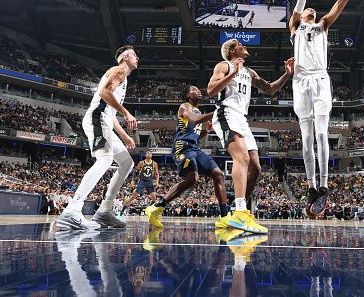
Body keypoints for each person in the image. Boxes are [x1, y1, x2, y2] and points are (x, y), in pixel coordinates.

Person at [288, 0, 364, 217]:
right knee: (306, 139)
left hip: (320, 80)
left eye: (314, 10)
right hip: (300, 82)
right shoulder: (295, 26)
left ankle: (323, 185)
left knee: (321, 134)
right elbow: (300, 0)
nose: (313, 10)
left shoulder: (323, 27)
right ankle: (310, 186)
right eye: (310, 9)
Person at [207, 38, 294, 234]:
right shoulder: (224, 65)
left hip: (242, 119)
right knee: (242, 158)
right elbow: (211, 90)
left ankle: (238, 211)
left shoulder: (249, 72)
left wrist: (286, 75)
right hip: (226, 113)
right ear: (231, 50)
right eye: (240, 44)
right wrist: (233, 73)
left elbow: (270, 89)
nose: (244, 46)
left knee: (256, 168)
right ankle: (239, 212)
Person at [56, 45, 138, 230]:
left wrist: (124, 135)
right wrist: (126, 113)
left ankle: (104, 211)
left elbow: (109, 109)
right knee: (105, 159)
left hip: (105, 121)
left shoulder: (123, 79)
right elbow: (104, 94)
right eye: (134, 55)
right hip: (96, 119)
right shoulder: (118, 70)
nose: (137, 58)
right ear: (125, 57)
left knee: (126, 162)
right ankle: (72, 210)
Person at [145, 85, 229, 229]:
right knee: (192, 178)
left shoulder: (198, 111)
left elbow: (196, 135)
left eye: (198, 89)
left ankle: (225, 217)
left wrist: (207, 130)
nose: (198, 91)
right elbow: (194, 120)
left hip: (194, 147)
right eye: (194, 90)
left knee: (218, 174)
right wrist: (217, 113)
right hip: (182, 147)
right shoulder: (185, 107)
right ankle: (157, 207)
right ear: (187, 95)